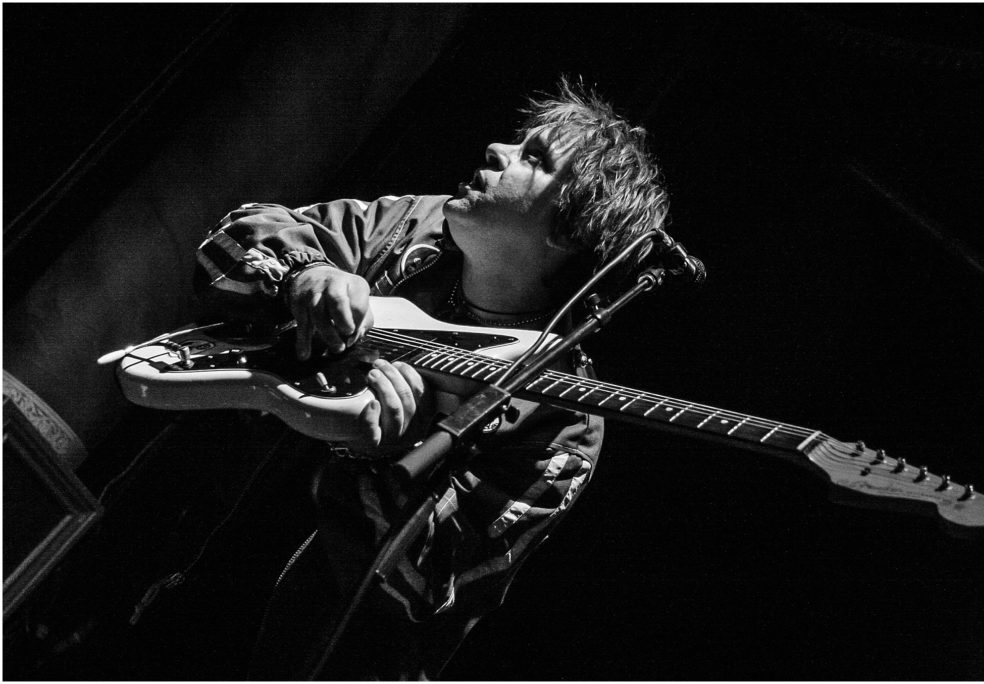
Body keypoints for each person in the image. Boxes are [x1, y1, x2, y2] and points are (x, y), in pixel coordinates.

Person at [193, 77, 670, 679]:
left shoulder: (562, 424)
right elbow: (231, 238)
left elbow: (429, 591)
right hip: (193, 546)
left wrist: (387, 459)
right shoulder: (415, 229)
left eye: (534, 158)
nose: (498, 150)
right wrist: (304, 273)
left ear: (567, 230)